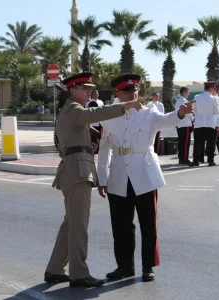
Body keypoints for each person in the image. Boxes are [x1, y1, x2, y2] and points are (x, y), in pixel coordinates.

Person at [44, 71, 142, 288]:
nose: (89, 90)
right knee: (79, 225)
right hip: (77, 172)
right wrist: (125, 106)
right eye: (84, 87)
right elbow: (94, 114)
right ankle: (79, 274)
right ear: (72, 90)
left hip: (74, 169)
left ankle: (54, 269)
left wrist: (89, 143)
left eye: (90, 87)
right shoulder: (73, 109)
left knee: (70, 224)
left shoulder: (69, 111)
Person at [97, 73, 195, 282]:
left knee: (148, 224)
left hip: (144, 173)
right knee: (121, 225)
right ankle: (124, 266)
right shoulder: (109, 115)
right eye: (127, 91)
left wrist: (180, 113)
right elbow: (104, 149)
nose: (132, 94)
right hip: (118, 175)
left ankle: (147, 266)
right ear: (118, 93)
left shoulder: (149, 113)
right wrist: (102, 177)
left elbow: (166, 120)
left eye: (134, 90)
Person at [190, 82, 219, 167]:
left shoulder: (197, 97)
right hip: (210, 123)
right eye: (213, 88)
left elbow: (194, 110)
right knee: (210, 143)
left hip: (199, 122)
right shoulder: (214, 99)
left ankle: (196, 161)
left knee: (197, 143)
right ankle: (210, 160)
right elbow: (216, 112)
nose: (214, 90)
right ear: (210, 89)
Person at [200, 83, 219, 158]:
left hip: (205, 122)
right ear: (215, 89)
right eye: (218, 89)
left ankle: (204, 155)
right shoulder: (216, 99)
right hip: (213, 123)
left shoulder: (202, 97)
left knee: (207, 139)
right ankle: (210, 157)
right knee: (211, 140)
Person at [175, 87, 194, 164]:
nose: (188, 94)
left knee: (181, 142)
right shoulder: (185, 101)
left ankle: (181, 158)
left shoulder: (177, 101)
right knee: (186, 143)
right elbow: (189, 113)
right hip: (185, 124)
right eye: (188, 92)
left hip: (179, 124)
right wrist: (193, 119)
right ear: (184, 93)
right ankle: (185, 159)